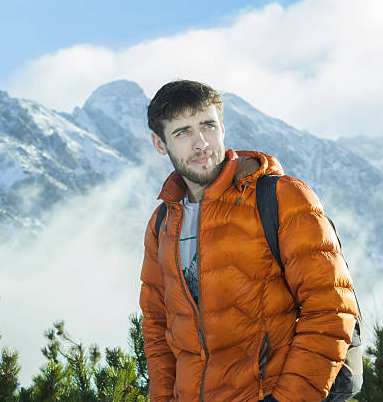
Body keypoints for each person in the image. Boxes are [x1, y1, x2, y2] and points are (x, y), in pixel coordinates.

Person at [139, 80, 358, 402]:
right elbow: (158, 329)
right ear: (160, 144)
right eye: (182, 132)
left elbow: (330, 308)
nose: (201, 143)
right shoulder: (162, 223)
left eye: (208, 125)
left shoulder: (281, 197)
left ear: (222, 128)